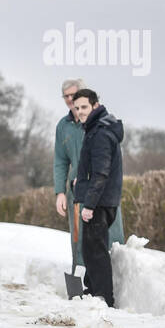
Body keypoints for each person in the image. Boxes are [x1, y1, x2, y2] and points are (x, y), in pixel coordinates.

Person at [54, 78, 123, 270]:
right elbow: (60, 160)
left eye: (72, 95)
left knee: (109, 237)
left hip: (101, 188)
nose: (69, 99)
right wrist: (60, 191)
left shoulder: (100, 124)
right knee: (80, 240)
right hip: (76, 191)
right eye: (66, 96)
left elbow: (107, 160)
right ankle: (83, 280)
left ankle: (114, 279)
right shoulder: (63, 126)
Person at [71, 89, 124, 307]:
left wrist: (89, 204)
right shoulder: (95, 129)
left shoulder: (101, 133)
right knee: (90, 249)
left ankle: (104, 299)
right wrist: (80, 183)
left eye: (84, 107)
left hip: (100, 203)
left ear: (95, 105)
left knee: (96, 252)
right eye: (77, 108)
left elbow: (101, 173)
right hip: (101, 200)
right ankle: (92, 292)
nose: (80, 112)